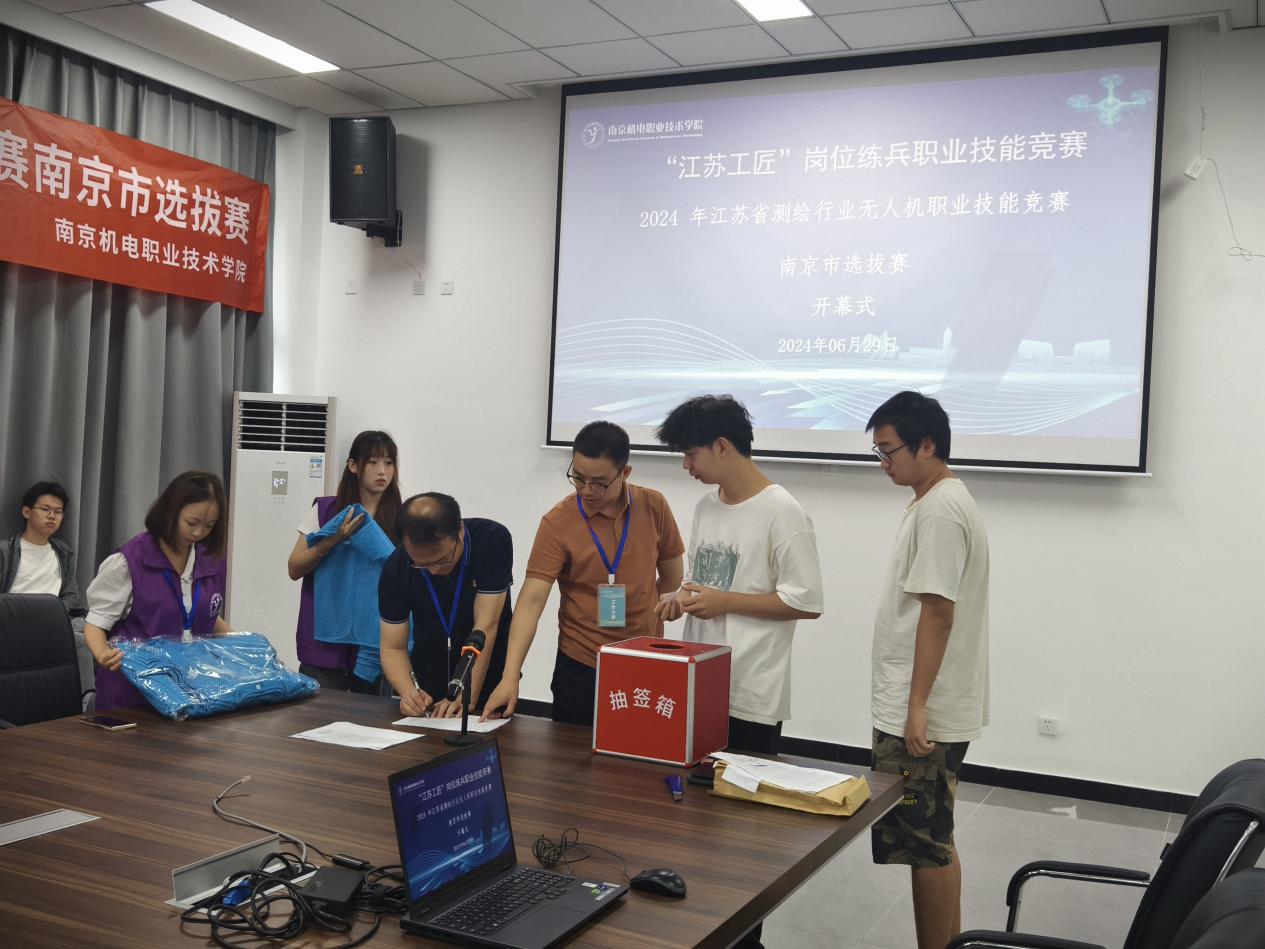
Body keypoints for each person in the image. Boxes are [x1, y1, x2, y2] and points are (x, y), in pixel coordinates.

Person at [866, 391, 990, 949]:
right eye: (877, 451)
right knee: (936, 839)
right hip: (927, 702)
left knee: (925, 847)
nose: (883, 462)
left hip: (925, 709)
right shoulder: (935, 500)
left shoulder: (940, 509)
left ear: (927, 445)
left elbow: (938, 614)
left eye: (888, 450)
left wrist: (916, 707)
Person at [482, 421, 685, 726]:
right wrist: (510, 676)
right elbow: (531, 601)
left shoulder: (653, 505)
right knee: (574, 751)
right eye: (578, 478)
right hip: (582, 663)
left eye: (599, 482)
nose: (586, 490)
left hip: (645, 658)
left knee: (643, 744)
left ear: (625, 473)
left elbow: (671, 573)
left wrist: (659, 608)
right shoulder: (558, 522)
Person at [653, 395, 823, 756]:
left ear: (721, 446)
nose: (685, 465)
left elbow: (806, 602)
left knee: (740, 789)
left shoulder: (783, 512)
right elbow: (699, 581)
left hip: (751, 693)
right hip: (698, 678)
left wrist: (725, 602)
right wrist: (679, 599)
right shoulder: (706, 506)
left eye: (690, 454)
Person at [83, 471, 231, 710]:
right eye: (192, 523)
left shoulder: (209, 560)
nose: (198, 533)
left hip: (190, 690)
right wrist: (102, 654)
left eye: (209, 526)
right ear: (171, 511)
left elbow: (204, 614)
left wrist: (245, 649)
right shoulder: (130, 561)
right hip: (134, 695)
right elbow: (95, 623)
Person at [286, 430, 402, 692]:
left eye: (389, 463)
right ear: (353, 466)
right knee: (320, 712)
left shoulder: (402, 517)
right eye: (373, 462)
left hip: (376, 639)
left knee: (370, 715)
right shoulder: (325, 510)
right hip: (324, 639)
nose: (382, 471)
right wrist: (333, 539)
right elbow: (294, 568)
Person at [379, 493, 513, 718]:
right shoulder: (397, 568)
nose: (433, 570)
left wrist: (466, 696)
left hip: (487, 684)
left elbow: (486, 626)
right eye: (421, 564)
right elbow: (393, 647)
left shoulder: (491, 540)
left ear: (459, 531)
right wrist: (409, 692)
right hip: (430, 685)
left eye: (442, 560)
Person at [0, 481, 90, 702]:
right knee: (79, 640)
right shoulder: (6, 550)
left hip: (52, 622)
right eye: (45, 509)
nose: (52, 516)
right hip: (15, 621)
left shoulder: (63, 553)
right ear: (26, 512)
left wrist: (55, 613)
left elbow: (71, 595)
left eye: (58, 512)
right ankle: (87, 699)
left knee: (90, 635)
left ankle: (89, 700)